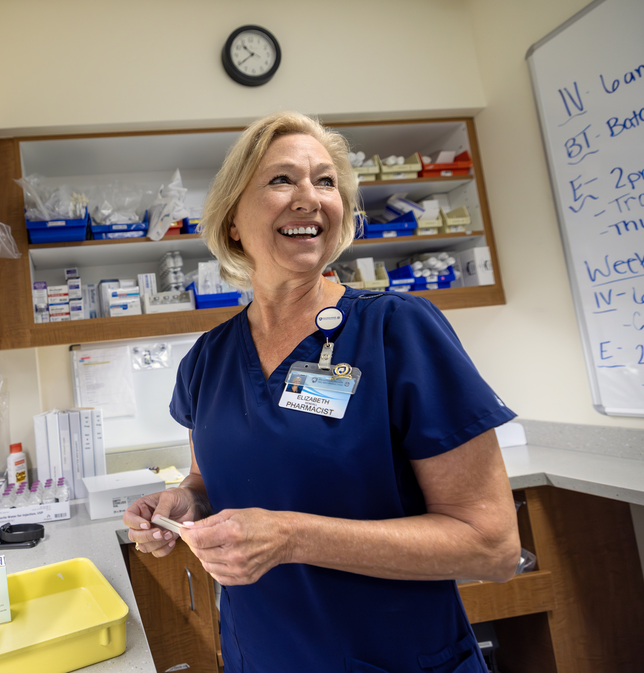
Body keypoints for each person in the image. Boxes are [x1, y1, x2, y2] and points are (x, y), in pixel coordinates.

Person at [123, 111, 519, 673]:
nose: (310, 197)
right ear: (233, 220)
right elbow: (209, 478)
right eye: (282, 179)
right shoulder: (207, 361)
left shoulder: (397, 330)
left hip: (392, 657)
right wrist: (187, 502)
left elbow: (492, 546)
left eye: (327, 181)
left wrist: (291, 537)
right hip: (259, 654)